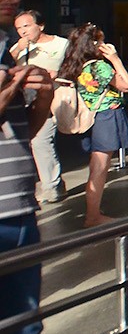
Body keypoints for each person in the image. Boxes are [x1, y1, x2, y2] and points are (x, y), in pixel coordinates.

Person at [0, 57, 89, 334]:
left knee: (21, 330)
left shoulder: (7, 58)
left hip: (18, 211)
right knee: (14, 332)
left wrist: (42, 96)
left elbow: (26, 130)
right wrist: (12, 84)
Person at [56, 25, 128, 229]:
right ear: (92, 45)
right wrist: (115, 59)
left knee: (96, 167)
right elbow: (126, 85)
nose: (104, 44)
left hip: (88, 116)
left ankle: (93, 213)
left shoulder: (73, 65)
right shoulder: (99, 66)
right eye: (101, 41)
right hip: (106, 115)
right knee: (99, 168)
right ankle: (93, 216)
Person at [8, 11, 68, 204]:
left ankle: (51, 187)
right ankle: (55, 183)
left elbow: (74, 67)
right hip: (24, 101)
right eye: (18, 28)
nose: (23, 31)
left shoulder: (61, 44)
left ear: (40, 26)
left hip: (51, 99)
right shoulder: (18, 48)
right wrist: (18, 50)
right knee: (33, 141)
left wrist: (57, 73)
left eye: (26, 26)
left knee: (40, 141)